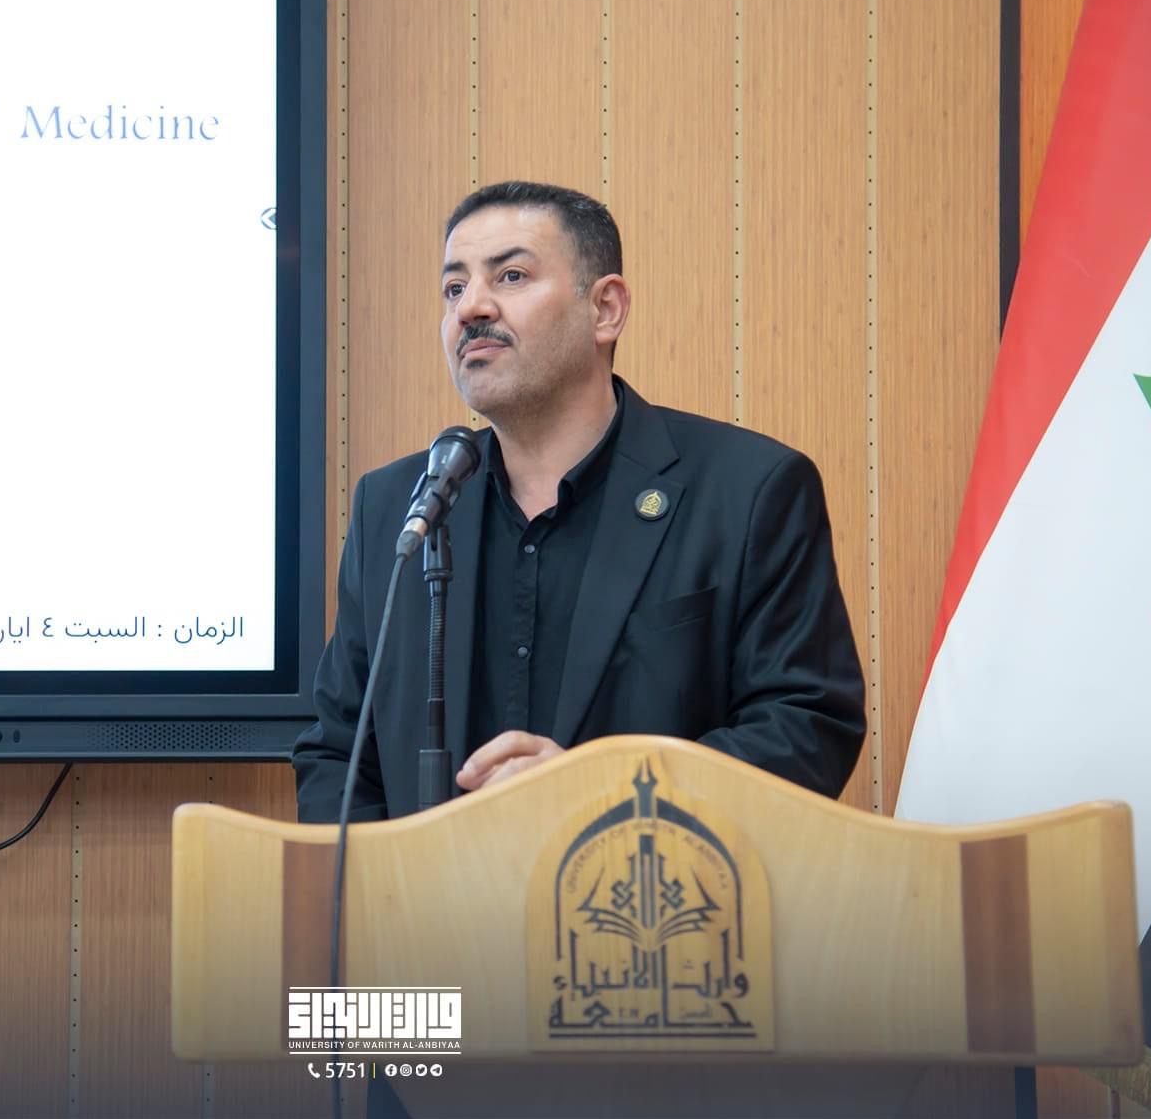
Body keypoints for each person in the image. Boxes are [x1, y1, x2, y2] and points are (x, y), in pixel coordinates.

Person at [293, 181, 864, 823]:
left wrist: (604, 794)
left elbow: (806, 729)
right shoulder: (397, 509)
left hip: (648, 880)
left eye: (510, 276)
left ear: (605, 309)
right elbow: (337, 752)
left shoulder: (748, 490)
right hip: (427, 890)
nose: (471, 307)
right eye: (453, 288)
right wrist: (389, 879)